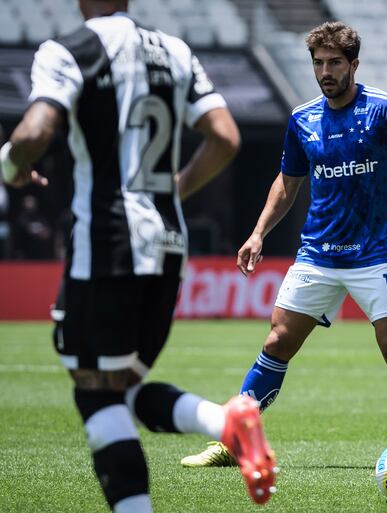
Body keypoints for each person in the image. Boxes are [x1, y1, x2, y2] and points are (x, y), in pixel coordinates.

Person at [0, 1, 276, 510]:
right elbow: (226, 136)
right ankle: (223, 422)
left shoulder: (69, 48)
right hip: (169, 243)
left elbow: (33, 133)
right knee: (122, 389)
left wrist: (10, 166)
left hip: (108, 242)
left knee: (95, 392)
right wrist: (174, 191)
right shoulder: (174, 50)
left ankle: (227, 423)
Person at [181, 21, 387, 467]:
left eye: (334, 63)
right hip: (318, 253)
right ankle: (233, 442)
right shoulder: (302, 119)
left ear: (353, 64)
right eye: (319, 63)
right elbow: (287, 184)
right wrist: (258, 232)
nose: (325, 71)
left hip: (376, 254)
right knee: (277, 342)